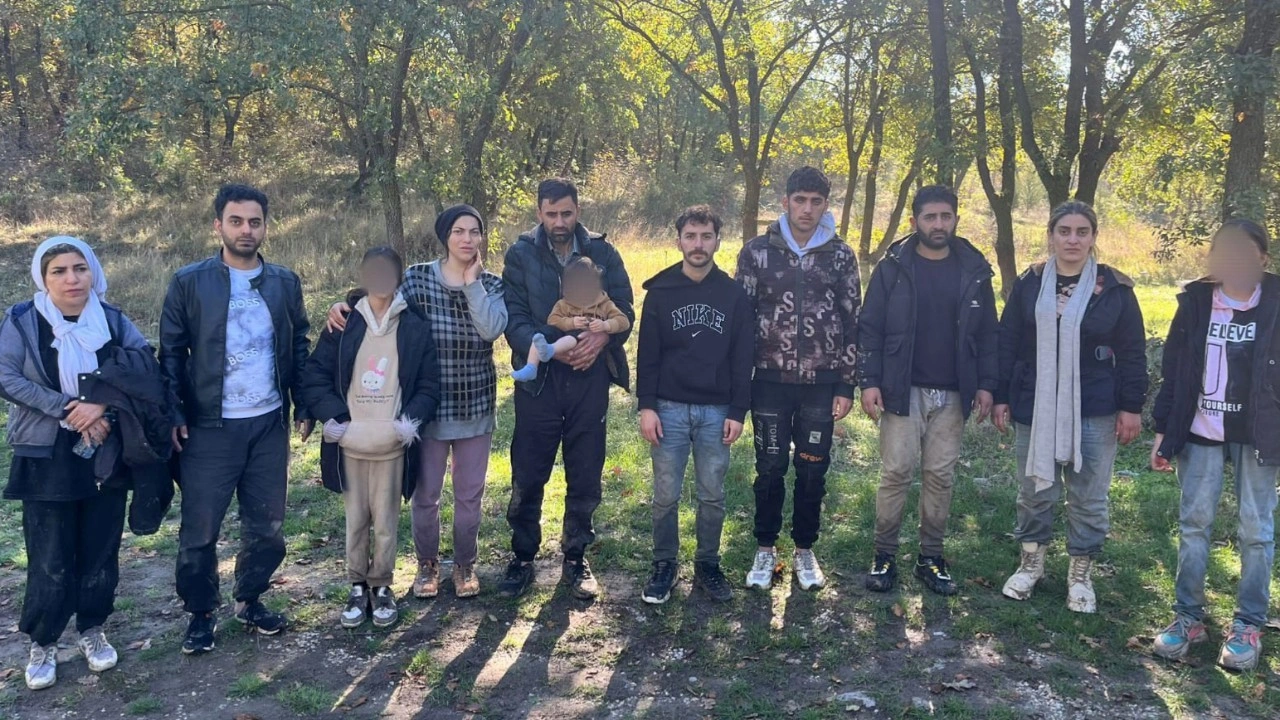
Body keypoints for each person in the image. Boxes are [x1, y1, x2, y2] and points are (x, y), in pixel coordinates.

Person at [0, 238, 164, 690]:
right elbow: (6, 376)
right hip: (45, 453)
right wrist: (67, 408)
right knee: (49, 556)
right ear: (43, 277)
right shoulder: (22, 320)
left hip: (105, 448)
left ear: (92, 272)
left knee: (99, 548)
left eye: (80, 268)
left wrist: (101, 405)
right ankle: (44, 640)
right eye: (59, 271)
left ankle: (92, 629)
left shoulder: (111, 319)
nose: (71, 279)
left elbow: (143, 367)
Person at [325, 205, 507, 600]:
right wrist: (346, 304)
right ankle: (427, 564)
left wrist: (472, 284)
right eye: (458, 231)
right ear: (445, 237)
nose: (467, 239)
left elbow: (491, 329)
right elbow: (383, 301)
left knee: (469, 496)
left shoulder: (492, 284)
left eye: (474, 232)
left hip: (475, 403)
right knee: (426, 496)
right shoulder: (418, 277)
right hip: (426, 406)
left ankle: (465, 564)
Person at [160, 184, 312, 654]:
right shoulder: (190, 282)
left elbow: (299, 345)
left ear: (265, 226)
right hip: (209, 426)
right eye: (236, 221)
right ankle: (200, 612)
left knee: (266, 526)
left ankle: (249, 599)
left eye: (254, 222)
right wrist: (173, 412)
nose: (246, 230)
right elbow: (170, 353)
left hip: (267, 423)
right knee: (200, 529)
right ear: (218, 225)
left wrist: (304, 404)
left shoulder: (284, 282)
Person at [992, 200, 1147, 614]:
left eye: (1082, 232)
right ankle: (1031, 563)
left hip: (1095, 405)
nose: (1073, 240)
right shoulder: (1030, 283)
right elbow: (1007, 341)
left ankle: (1080, 573)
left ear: (1094, 237)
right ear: (1051, 236)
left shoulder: (1114, 288)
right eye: (1064, 231)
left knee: (1089, 496)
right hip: (1035, 402)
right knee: (1034, 490)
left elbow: (1133, 351)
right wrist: (1001, 394)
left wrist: (1131, 406)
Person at [1150, 219, 1279, 672]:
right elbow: (1174, 370)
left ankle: (1248, 624)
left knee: (1256, 531)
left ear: (1262, 258)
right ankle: (1188, 618)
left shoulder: (1276, 302)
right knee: (1194, 524)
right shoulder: (1196, 301)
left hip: (1258, 434)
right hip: (1201, 430)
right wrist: (1163, 431)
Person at [858, 185, 999, 596]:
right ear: (915, 221)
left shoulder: (973, 268)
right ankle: (884, 555)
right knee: (896, 473)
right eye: (930, 217)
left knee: (940, 476)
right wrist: (869, 381)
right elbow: (870, 327)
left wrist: (987, 385)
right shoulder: (893, 267)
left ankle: (931, 557)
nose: (939, 224)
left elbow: (988, 335)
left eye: (946, 216)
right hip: (902, 388)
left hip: (954, 393)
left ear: (956, 219)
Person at [499, 177, 634, 600]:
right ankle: (522, 556)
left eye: (567, 213)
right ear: (539, 212)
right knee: (528, 470)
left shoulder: (603, 252)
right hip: (540, 380)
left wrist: (602, 339)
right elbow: (513, 317)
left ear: (578, 211)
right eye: (552, 213)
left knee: (585, 469)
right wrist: (549, 348)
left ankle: (576, 556)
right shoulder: (520, 254)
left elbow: (625, 309)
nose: (560, 222)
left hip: (590, 378)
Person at [300, 247, 440, 628]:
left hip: (391, 446)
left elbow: (429, 385)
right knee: (356, 521)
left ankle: (382, 585)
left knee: (386, 523)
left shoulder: (414, 325)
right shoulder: (344, 323)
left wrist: (408, 423)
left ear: (397, 277)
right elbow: (315, 374)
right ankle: (357, 585)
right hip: (351, 444)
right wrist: (335, 419)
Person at [735, 166, 860, 592]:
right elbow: (741, 320)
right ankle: (765, 548)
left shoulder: (840, 255)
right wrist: (740, 384)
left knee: (812, 470)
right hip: (769, 382)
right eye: (800, 200)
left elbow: (852, 321)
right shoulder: (757, 252)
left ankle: (805, 549)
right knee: (770, 468)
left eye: (815, 201)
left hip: (822, 384)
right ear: (785, 201)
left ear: (825, 205)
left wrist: (846, 384)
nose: (807, 209)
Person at [636, 205, 753, 605]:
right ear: (678, 241)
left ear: (718, 241)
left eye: (706, 236)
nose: (698, 244)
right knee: (665, 494)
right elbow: (648, 354)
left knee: (712, 495)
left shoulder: (734, 295)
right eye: (690, 236)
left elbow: (743, 357)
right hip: (668, 407)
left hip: (716, 410)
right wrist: (646, 406)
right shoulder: (661, 291)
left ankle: (708, 564)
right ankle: (664, 564)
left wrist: (738, 411)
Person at [512, 258, 630, 382]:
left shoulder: (604, 303)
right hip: (560, 339)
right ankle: (531, 366)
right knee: (542, 334)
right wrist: (571, 322)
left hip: (585, 347)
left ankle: (550, 350)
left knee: (574, 336)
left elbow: (623, 321)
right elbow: (552, 320)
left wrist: (606, 325)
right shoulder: (564, 303)